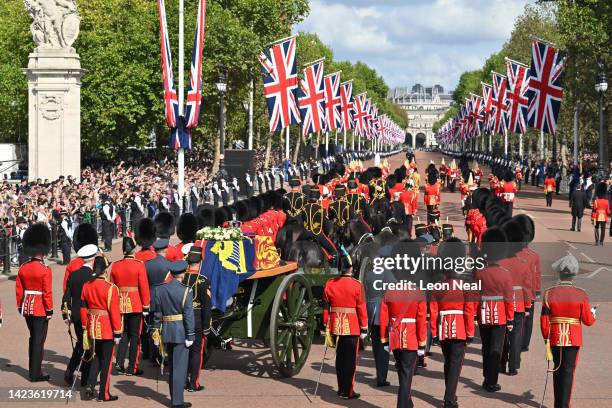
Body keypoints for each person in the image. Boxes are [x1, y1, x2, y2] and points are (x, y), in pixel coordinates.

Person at [541, 254, 596, 408]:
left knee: (557, 369)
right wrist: (593, 313)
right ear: (574, 274)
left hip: (555, 337)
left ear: (559, 273)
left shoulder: (548, 293)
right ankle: (563, 405)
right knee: (568, 371)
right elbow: (588, 321)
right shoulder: (581, 294)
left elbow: (544, 320)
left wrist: (546, 338)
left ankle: (558, 403)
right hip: (573, 338)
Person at [429, 238, 475, 408]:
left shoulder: (438, 287)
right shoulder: (465, 286)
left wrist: (434, 333)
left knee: (448, 362)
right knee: (455, 364)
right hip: (460, 329)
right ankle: (449, 398)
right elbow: (469, 311)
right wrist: (470, 332)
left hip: (443, 328)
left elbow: (433, 312)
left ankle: (451, 394)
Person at [379, 250, 427, 408]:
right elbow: (420, 319)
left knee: (402, 372)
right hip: (411, 337)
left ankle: (408, 402)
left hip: (395, 336)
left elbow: (384, 317)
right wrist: (422, 343)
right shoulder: (418, 291)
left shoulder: (390, 290)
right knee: (406, 374)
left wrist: (384, 339)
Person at [322, 253, 368, 400]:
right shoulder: (357, 285)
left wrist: (325, 323)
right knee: (350, 361)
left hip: (335, 325)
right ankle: (348, 391)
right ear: (350, 268)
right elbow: (361, 308)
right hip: (352, 326)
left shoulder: (330, 283)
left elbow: (325, 307)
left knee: (340, 359)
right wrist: (364, 327)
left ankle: (341, 388)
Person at [474, 227, 514, 392]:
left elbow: (476, 296)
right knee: (495, 349)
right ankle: (492, 381)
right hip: (499, 316)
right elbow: (508, 299)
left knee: (485, 346)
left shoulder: (480, 273)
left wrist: (475, 316)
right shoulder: (505, 274)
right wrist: (510, 319)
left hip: (483, 313)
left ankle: (486, 377)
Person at [151, 260, 195, 408]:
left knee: (173, 367)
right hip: (181, 332)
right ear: (183, 273)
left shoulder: (160, 289)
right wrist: (190, 335)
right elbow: (188, 315)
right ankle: (177, 401)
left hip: (167, 331)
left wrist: (156, 330)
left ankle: (175, 398)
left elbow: (157, 314)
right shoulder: (186, 290)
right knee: (180, 368)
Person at [15, 223, 53, 382]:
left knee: (33, 338)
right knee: (38, 340)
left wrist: (20, 305)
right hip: (39, 308)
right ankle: (35, 373)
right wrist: (49, 310)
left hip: (26, 306)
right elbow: (47, 293)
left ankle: (33, 370)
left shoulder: (23, 267)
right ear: (43, 250)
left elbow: (19, 289)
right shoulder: (44, 270)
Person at [81, 255, 122, 402]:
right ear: (105, 271)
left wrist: (86, 325)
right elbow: (115, 313)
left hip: (93, 326)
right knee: (106, 362)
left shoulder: (87, 285)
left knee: (97, 357)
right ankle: (103, 394)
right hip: (106, 328)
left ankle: (90, 385)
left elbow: (83, 308)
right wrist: (118, 332)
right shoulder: (111, 288)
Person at [110, 236, 151, 376]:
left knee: (123, 335)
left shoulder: (115, 265)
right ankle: (132, 367)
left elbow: (112, 288)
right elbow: (144, 288)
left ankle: (119, 363)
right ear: (133, 249)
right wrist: (146, 306)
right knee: (135, 337)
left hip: (120, 304)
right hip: (135, 304)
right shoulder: (139, 265)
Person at [62, 243, 98, 386]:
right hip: (89, 315)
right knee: (89, 347)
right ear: (93, 258)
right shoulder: (93, 276)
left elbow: (66, 297)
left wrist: (66, 315)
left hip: (76, 316)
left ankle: (70, 371)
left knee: (81, 345)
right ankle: (85, 378)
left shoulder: (74, 275)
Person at [182, 244, 212, 392]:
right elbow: (206, 307)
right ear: (200, 261)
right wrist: (207, 326)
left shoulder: (181, 277)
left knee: (183, 351)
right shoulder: (203, 280)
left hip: (181, 320)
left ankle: (183, 379)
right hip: (197, 321)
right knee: (196, 352)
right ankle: (193, 383)